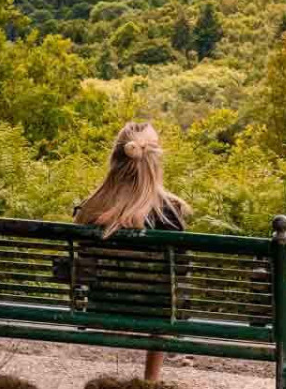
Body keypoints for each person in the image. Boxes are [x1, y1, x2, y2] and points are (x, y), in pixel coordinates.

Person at [75, 121, 190, 383]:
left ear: (115, 159)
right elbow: (181, 271)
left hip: (100, 305)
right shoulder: (169, 212)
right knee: (167, 296)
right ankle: (151, 379)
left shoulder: (90, 209)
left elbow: (83, 265)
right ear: (155, 163)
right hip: (156, 313)